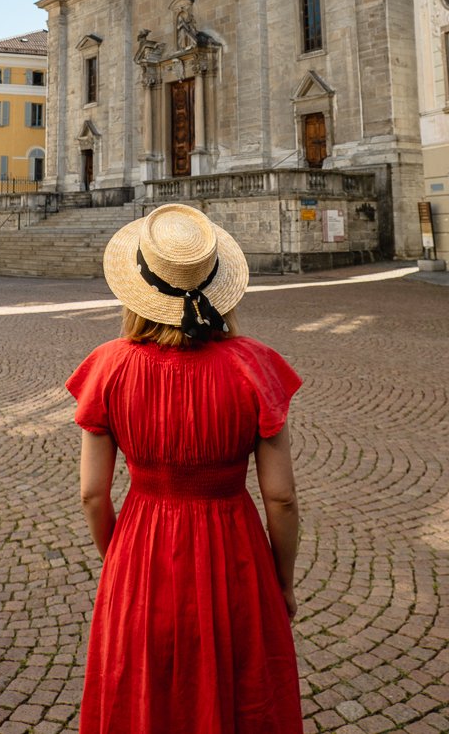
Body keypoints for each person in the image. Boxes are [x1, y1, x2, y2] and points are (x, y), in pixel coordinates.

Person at [66, 204, 303, 734]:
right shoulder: (254, 365)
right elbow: (281, 498)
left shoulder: (108, 365)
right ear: (219, 285)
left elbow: (91, 495)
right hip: (235, 549)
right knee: (242, 693)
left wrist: (121, 558)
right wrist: (282, 582)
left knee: (143, 695)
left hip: (143, 547)